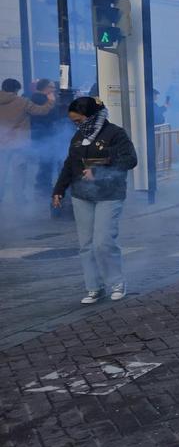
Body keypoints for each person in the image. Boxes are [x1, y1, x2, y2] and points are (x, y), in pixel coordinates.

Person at [52, 97, 139, 304]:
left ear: (91, 116)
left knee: (103, 242)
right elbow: (69, 164)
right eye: (73, 122)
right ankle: (94, 287)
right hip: (81, 195)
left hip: (109, 194)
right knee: (86, 245)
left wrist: (99, 168)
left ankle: (117, 282)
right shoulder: (77, 137)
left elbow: (129, 159)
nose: (76, 125)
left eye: (78, 120)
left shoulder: (115, 134)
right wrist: (59, 190)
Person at [1, 78, 56, 205]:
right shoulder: (22, 102)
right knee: (19, 173)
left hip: (1, 144)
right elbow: (41, 111)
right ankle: (19, 199)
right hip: (19, 142)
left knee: (1, 173)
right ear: (16, 90)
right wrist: (51, 101)